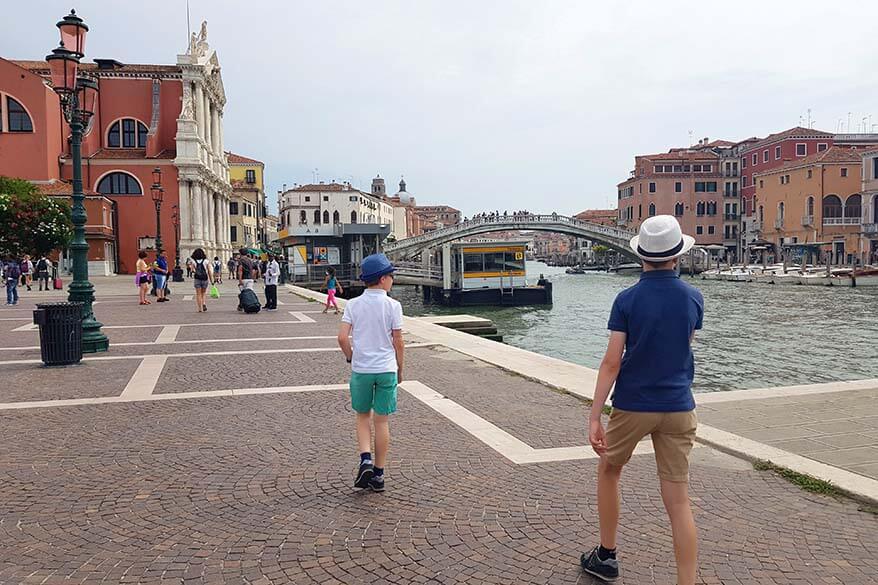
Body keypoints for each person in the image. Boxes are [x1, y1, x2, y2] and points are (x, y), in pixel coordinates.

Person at [581, 215, 702, 585]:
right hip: (679, 406)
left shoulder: (627, 299)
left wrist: (595, 415)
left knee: (609, 470)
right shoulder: (693, 297)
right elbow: (684, 347)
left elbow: (611, 362)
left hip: (633, 404)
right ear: (677, 256)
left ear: (642, 258)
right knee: (678, 501)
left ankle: (606, 555)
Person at [337, 254, 404, 493]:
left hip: (362, 369)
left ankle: (365, 459)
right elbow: (399, 342)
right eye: (391, 276)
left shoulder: (353, 304)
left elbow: (342, 338)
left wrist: (351, 357)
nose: (393, 281)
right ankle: (378, 475)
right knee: (382, 420)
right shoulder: (393, 306)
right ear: (383, 279)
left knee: (362, 415)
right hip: (386, 369)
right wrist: (400, 369)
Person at [188, 248, 212, 313]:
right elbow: (209, 271)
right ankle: (203, 303)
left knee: (198, 294)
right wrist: (211, 280)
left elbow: (192, 270)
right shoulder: (206, 261)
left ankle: (199, 308)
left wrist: (192, 269)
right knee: (203, 293)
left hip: (197, 279)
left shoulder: (193, 261)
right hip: (205, 278)